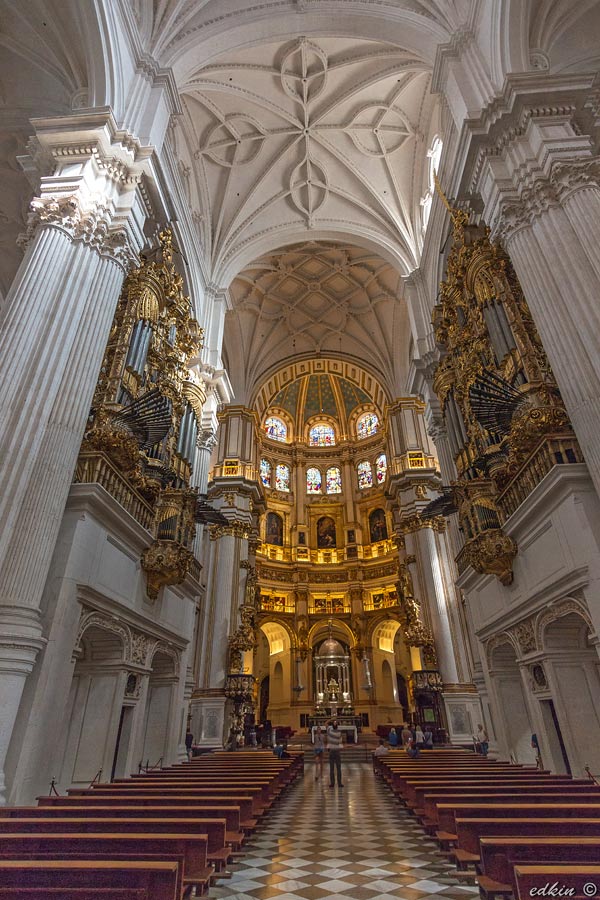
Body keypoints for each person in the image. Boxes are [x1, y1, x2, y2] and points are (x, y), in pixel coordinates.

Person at [327, 719, 344, 787]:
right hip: (334, 750)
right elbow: (340, 741)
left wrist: (331, 719)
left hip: (334, 750)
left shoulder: (331, 731)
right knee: (335, 768)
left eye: (335, 723)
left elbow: (340, 740)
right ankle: (336, 783)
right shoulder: (337, 732)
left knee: (335, 768)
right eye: (334, 723)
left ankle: (336, 783)